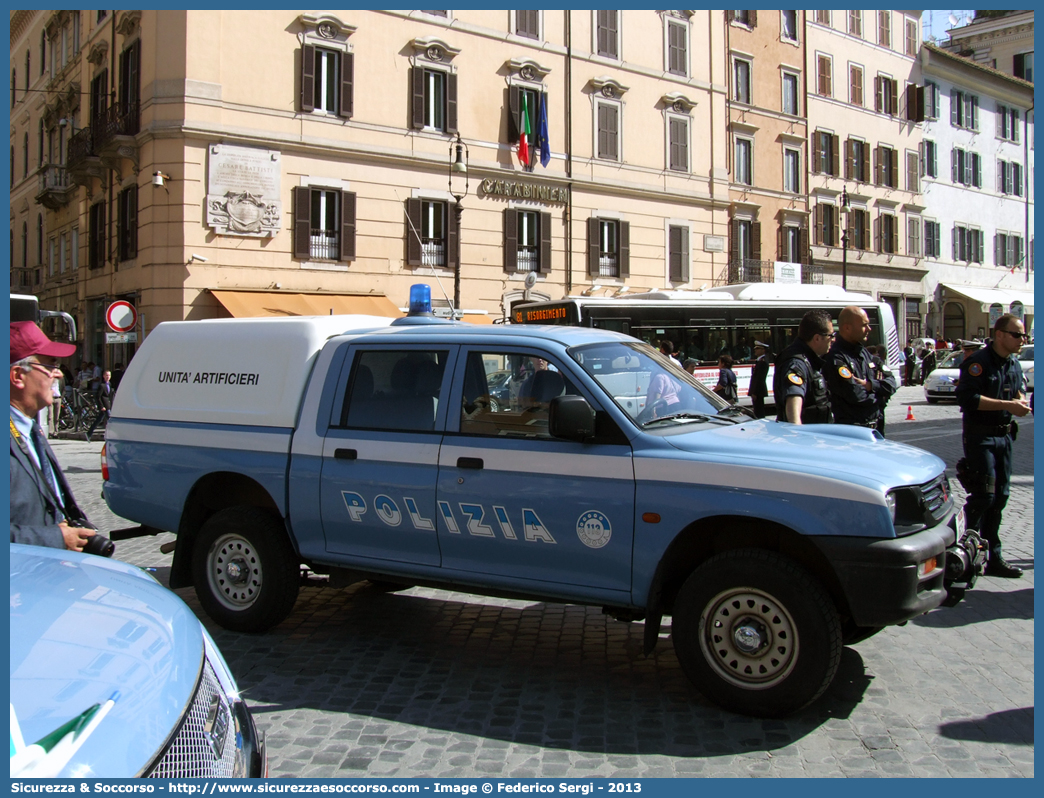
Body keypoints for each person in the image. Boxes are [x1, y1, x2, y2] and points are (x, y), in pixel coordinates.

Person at [10, 321, 98, 551]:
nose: (57, 373)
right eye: (50, 365)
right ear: (18, 375)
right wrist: (57, 539)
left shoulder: (31, 428)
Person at [955, 314, 1031, 578]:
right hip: (981, 437)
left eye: (1024, 335)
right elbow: (967, 397)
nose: (1023, 339)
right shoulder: (978, 363)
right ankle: (966, 553)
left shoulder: (1013, 364)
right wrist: (1007, 405)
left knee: (1000, 497)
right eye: (1017, 335)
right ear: (999, 334)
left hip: (1004, 437)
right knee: (983, 496)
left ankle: (993, 556)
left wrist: (1018, 401)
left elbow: (1014, 391)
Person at [824, 306, 897, 433]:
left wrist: (870, 385)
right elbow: (855, 395)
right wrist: (880, 396)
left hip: (876, 429)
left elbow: (891, 383)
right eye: (864, 325)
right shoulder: (836, 357)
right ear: (847, 328)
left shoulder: (866, 354)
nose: (869, 329)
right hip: (852, 432)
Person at [773, 310, 833, 424]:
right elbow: (793, 400)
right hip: (808, 438)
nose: (833, 339)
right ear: (817, 338)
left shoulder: (809, 359)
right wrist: (797, 435)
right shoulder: (796, 362)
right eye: (831, 335)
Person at [86, 369, 114, 443]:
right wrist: (101, 406)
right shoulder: (102, 385)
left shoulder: (110, 385)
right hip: (105, 406)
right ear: (103, 376)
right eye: (107, 375)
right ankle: (111, 435)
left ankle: (89, 433)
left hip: (108, 405)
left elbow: (110, 396)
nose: (108, 377)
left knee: (99, 420)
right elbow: (98, 396)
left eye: (109, 375)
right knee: (110, 420)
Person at [748, 340, 770, 418]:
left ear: (763, 350)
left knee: (759, 411)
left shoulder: (763, 361)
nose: (755, 350)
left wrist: (755, 392)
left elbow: (759, 378)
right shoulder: (759, 360)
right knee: (757, 409)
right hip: (757, 390)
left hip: (758, 391)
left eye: (757, 349)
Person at [48, 369, 64, 438]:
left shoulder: (60, 380)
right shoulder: (49, 379)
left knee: (57, 416)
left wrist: (62, 397)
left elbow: (63, 388)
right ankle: (50, 432)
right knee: (50, 416)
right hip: (51, 398)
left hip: (58, 397)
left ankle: (56, 431)